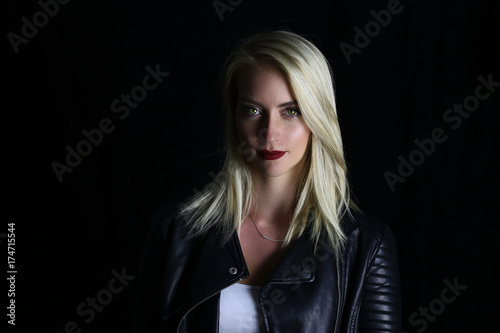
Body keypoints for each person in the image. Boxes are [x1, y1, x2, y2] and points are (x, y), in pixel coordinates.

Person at [133, 30, 401, 332]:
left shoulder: (364, 244)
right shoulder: (175, 232)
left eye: (291, 111)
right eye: (253, 110)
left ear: (318, 118)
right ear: (234, 117)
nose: (269, 133)